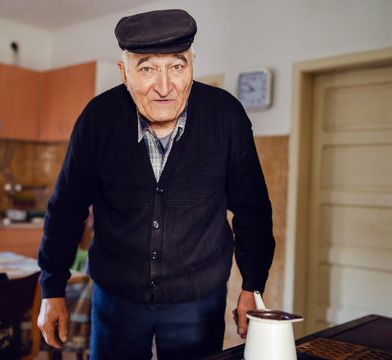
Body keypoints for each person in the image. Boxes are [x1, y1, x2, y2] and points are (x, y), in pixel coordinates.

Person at [37, 9, 275, 360]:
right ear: (124, 73)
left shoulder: (226, 116)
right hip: (116, 299)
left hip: (198, 303)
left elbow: (252, 210)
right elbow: (66, 209)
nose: (164, 86)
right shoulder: (97, 119)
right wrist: (51, 288)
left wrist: (252, 287)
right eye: (147, 68)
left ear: (192, 66)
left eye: (177, 67)